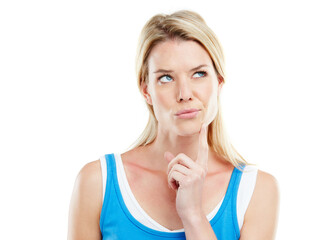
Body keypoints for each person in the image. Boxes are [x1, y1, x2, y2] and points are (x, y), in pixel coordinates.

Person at [68, 10, 279, 240]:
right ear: (146, 90)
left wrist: (193, 215)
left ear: (218, 83)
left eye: (198, 74)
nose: (185, 94)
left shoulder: (257, 190)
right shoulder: (97, 182)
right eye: (166, 78)